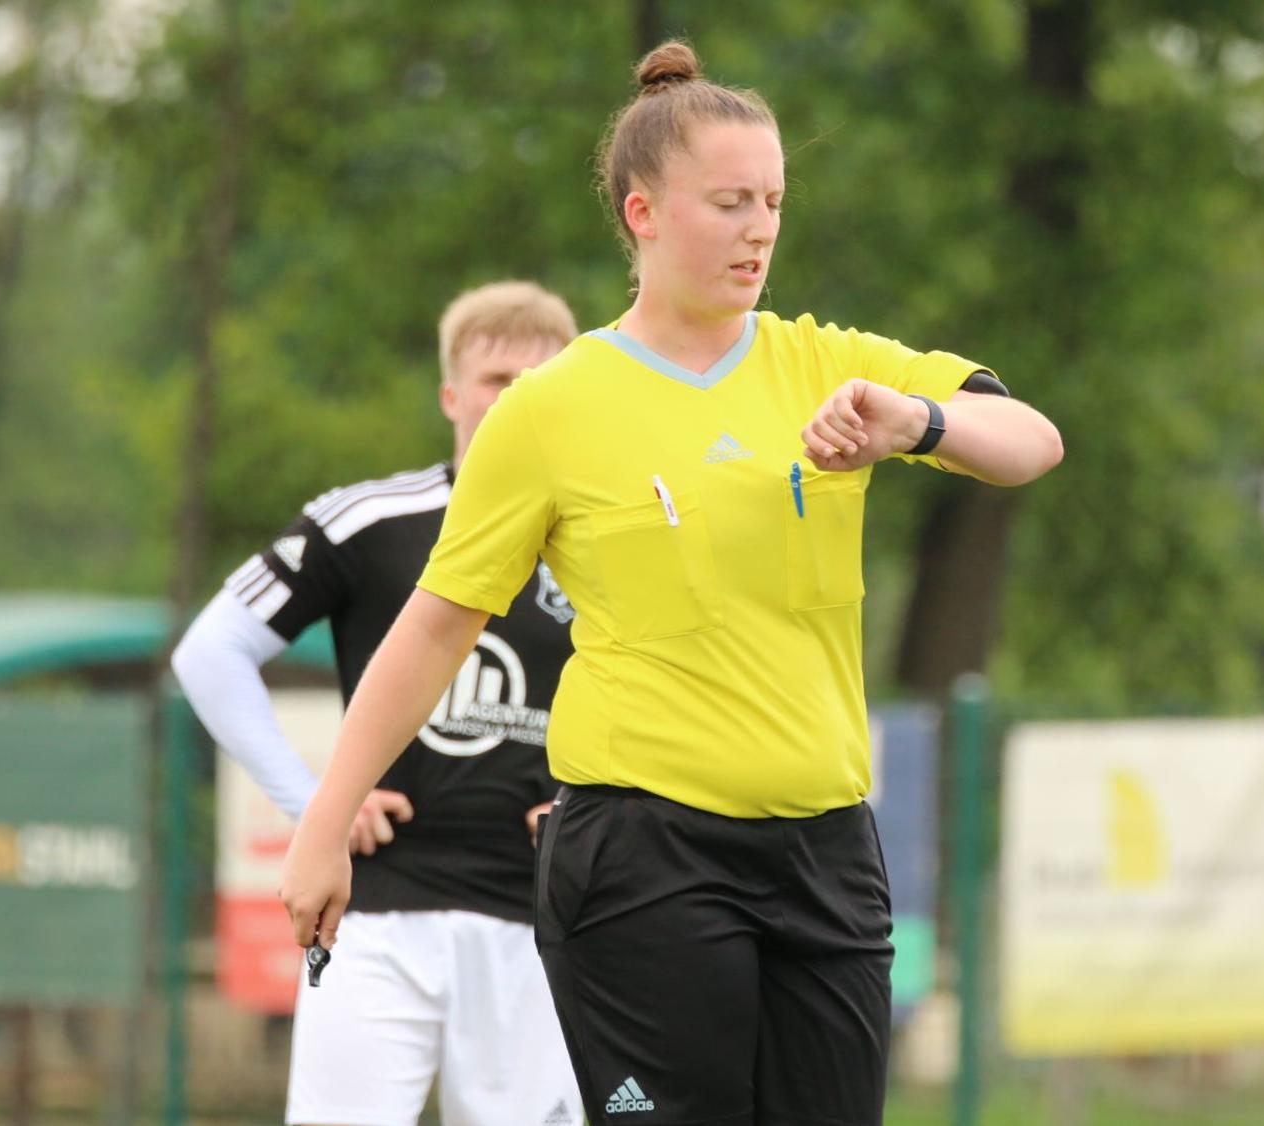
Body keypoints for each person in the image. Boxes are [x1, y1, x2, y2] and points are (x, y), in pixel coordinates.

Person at [278, 41, 1064, 1126]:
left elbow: (1031, 440)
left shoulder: (824, 364)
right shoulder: (549, 409)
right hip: (641, 852)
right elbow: (433, 625)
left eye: (774, 202)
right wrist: (322, 825)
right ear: (643, 213)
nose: (760, 228)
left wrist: (913, 421)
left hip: (825, 844)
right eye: (730, 201)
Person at [173, 281, 585, 1126]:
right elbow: (210, 655)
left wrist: (596, 805)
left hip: (541, 922)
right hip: (376, 913)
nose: (517, 398)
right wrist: (317, 803)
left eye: (540, 380)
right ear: (450, 394)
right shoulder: (372, 520)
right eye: (496, 378)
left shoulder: (611, 536)